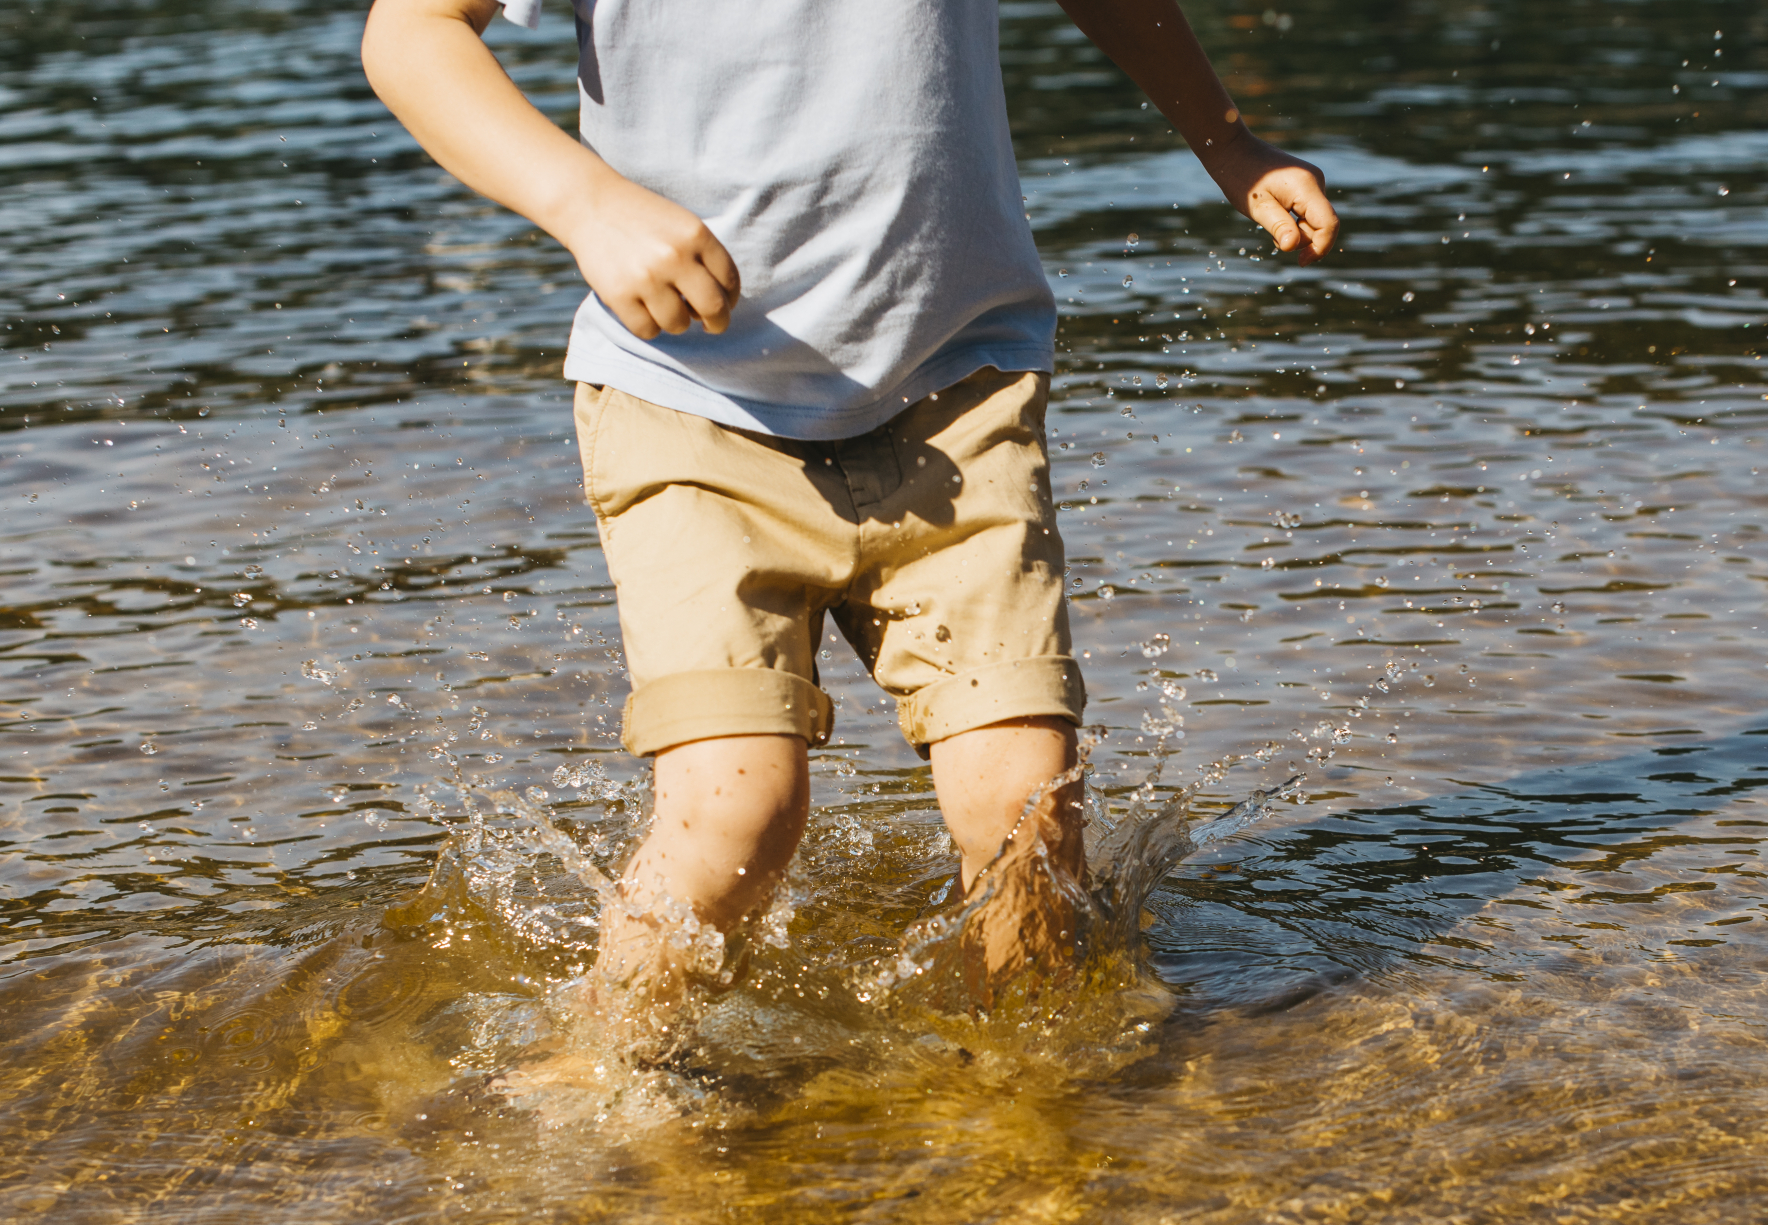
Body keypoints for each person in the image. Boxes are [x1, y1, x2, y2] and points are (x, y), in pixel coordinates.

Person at [361, 0, 1339, 1034]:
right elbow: (411, 31)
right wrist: (585, 202)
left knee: (1024, 809)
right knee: (737, 817)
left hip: (956, 386)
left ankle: (1040, 1115)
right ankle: (599, 1085)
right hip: (690, 403)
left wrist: (1226, 141)